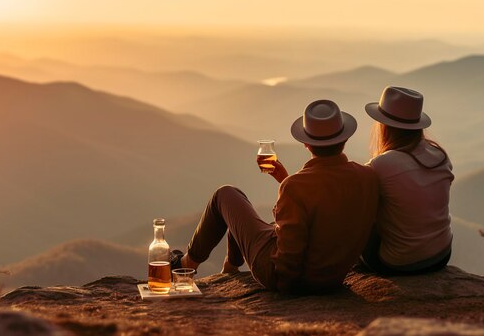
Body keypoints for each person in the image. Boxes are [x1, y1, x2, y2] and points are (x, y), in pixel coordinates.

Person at [172, 99, 379, 293]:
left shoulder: (296, 187)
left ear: (306, 144)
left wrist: (288, 188)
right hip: (331, 279)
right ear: (345, 139)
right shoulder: (368, 177)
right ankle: (230, 269)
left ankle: (185, 265)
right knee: (249, 219)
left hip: (289, 279)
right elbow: (328, 213)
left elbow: (287, 264)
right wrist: (285, 181)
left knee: (226, 195)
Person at [361, 86, 454, 275]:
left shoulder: (380, 165)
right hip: (442, 254)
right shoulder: (440, 156)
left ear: (384, 126)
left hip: (398, 262)